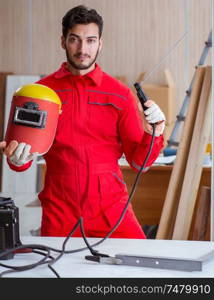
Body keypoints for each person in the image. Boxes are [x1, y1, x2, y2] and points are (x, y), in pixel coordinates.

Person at [0, 5, 165, 238]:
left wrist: (154, 133)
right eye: (74, 40)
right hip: (60, 210)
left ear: (100, 43)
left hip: (111, 209)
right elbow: (21, 159)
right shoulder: (42, 93)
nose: (82, 49)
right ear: (63, 41)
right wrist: (18, 160)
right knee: (58, 272)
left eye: (90, 40)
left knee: (139, 267)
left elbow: (140, 164)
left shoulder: (119, 94)